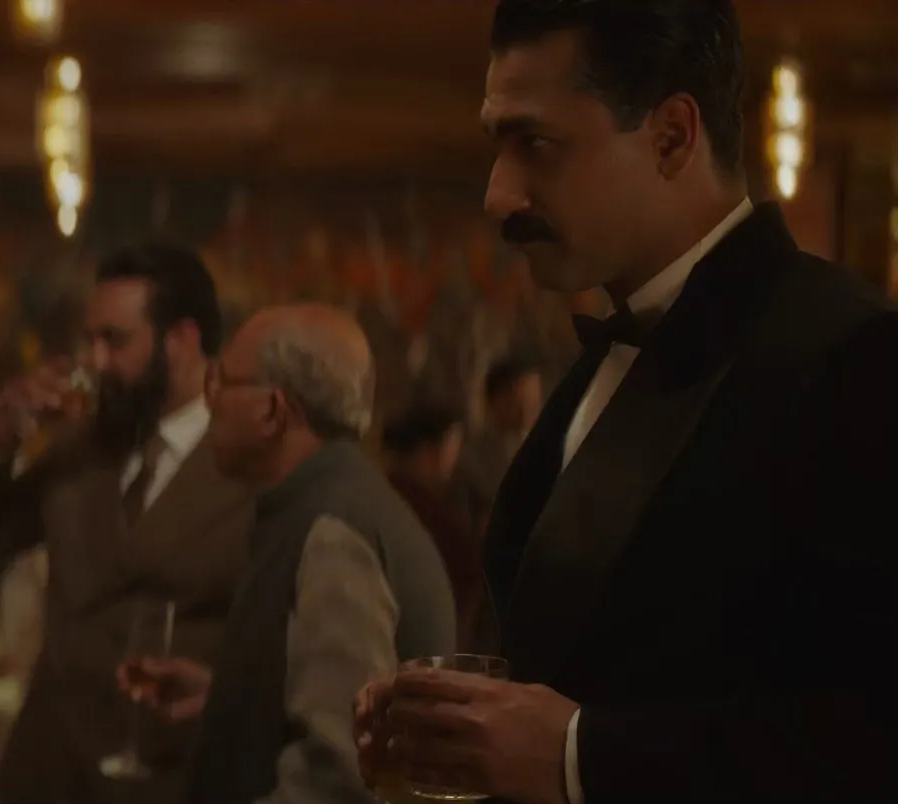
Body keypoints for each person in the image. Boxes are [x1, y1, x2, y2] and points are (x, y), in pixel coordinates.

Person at [355, 3, 898, 803]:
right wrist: (455, 725)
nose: (499, 195)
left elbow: (872, 737)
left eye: (536, 144)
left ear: (672, 137)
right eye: (497, 144)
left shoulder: (853, 354)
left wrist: (580, 758)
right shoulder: (601, 361)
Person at [0, 243, 254, 804]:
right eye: (91, 340)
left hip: (169, 782)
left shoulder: (247, 464)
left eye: (115, 340)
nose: (96, 361)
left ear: (183, 339)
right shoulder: (80, 447)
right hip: (46, 777)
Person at [125, 304, 454, 804]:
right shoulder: (329, 504)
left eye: (222, 381)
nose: (210, 400)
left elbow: (336, 775)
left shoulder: (334, 532)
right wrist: (229, 696)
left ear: (272, 410)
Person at [381, 401, 481, 648]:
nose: (457, 458)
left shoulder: (386, 493)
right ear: (429, 451)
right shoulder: (423, 511)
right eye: (453, 447)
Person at [452, 356, 542, 533]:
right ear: (496, 401)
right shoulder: (472, 460)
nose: (528, 410)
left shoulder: (550, 449)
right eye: (521, 401)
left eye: (534, 401)